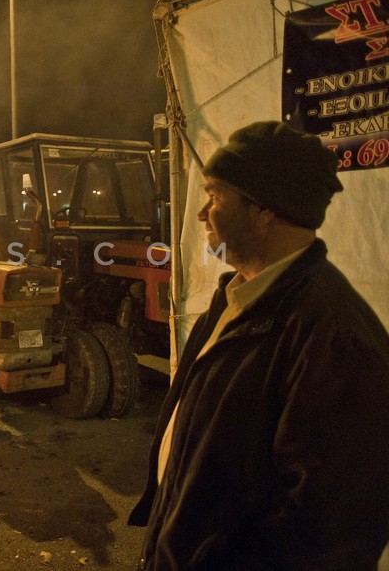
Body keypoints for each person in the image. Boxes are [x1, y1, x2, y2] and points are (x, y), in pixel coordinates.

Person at [129, 121, 389, 570]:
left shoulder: (334, 336)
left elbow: (330, 531)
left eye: (215, 196)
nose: (200, 214)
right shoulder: (235, 298)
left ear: (264, 210)